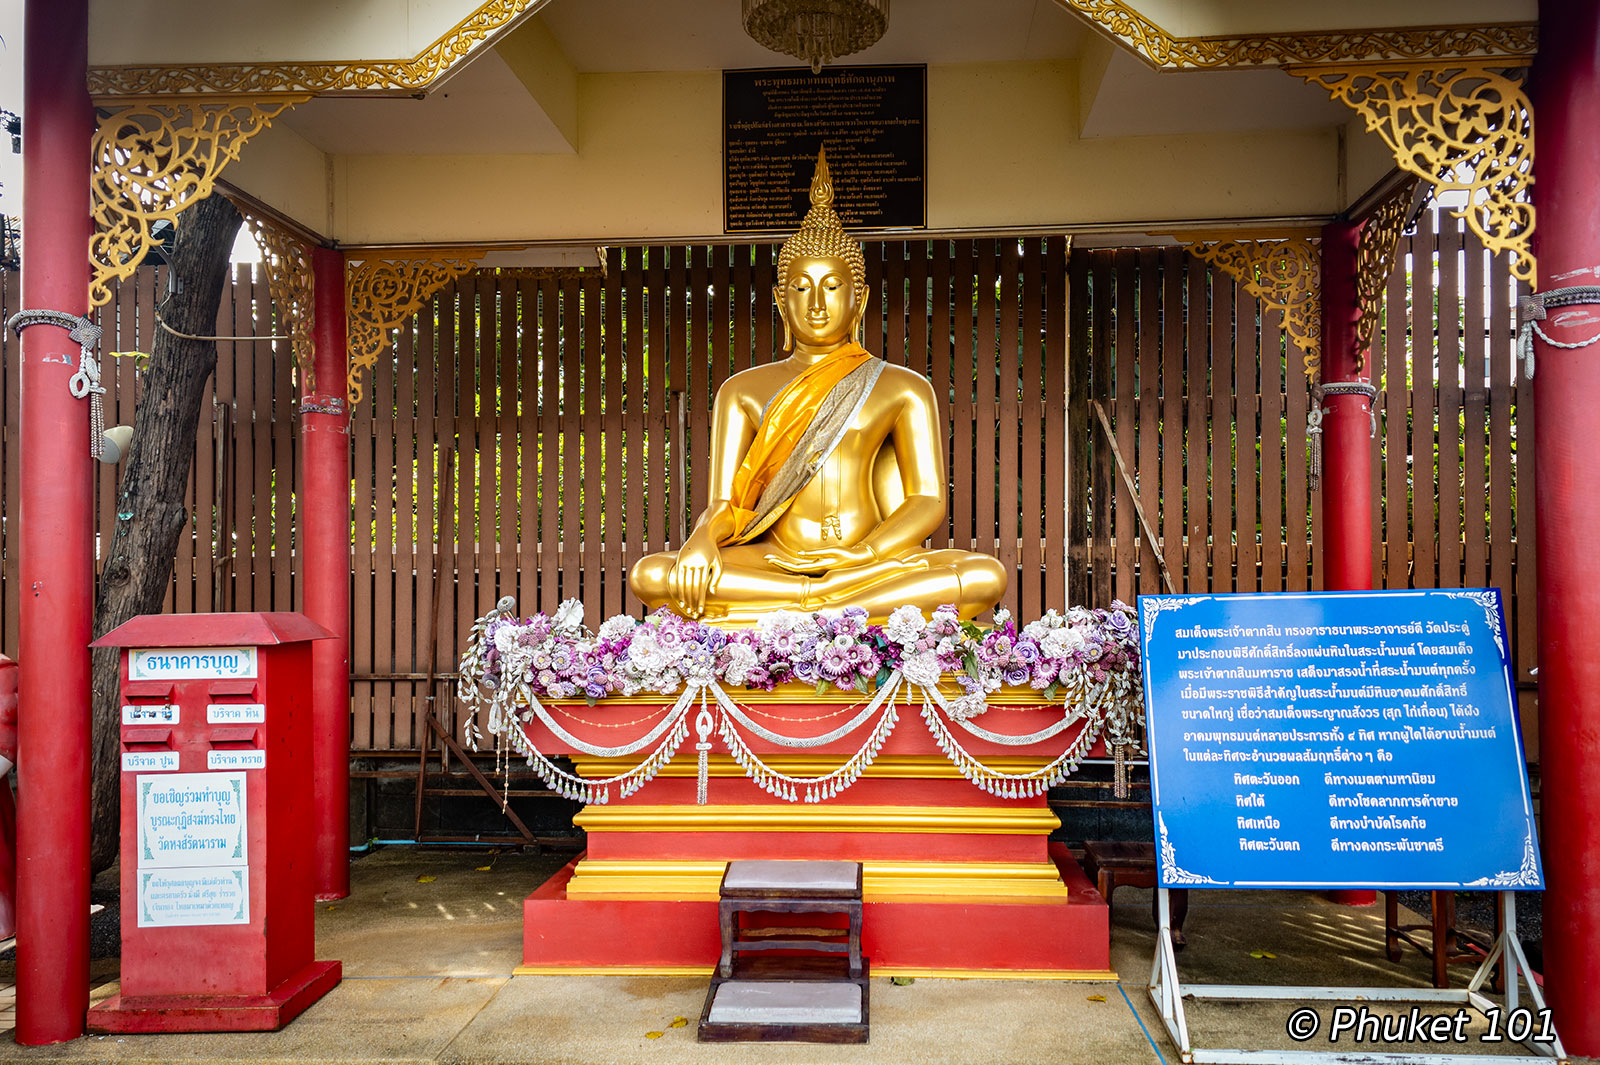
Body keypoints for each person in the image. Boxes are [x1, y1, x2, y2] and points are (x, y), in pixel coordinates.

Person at [628, 149, 1006, 624]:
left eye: (832, 285)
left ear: (860, 298)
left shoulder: (903, 387)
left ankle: (814, 605)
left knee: (981, 575)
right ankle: (825, 605)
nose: (817, 303)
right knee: (654, 574)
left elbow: (926, 500)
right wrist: (702, 537)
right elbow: (727, 504)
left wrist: (865, 555)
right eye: (802, 287)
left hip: (871, 562)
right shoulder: (742, 390)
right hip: (775, 561)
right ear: (781, 302)